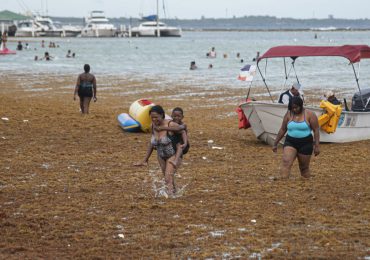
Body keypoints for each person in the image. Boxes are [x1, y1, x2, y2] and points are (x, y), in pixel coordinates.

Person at [134, 105, 184, 196]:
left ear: (162, 115)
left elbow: (182, 129)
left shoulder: (170, 124)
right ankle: (174, 193)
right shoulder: (153, 126)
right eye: (152, 118)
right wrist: (145, 159)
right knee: (167, 178)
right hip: (161, 155)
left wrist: (183, 144)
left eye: (156, 117)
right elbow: (152, 143)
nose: (154, 119)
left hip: (173, 155)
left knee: (168, 178)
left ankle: (170, 198)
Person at [272, 96, 320, 179]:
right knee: (286, 162)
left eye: (296, 107)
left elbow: (316, 130)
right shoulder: (289, 114)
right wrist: (275, 143)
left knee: (304, 168)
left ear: (301, 105)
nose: (294, 110)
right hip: (290, 142)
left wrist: (316, 146)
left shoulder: (310, 114)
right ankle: (283, 182)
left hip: (306, 143)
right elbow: (283, 129)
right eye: (292, 108)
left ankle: (306, 184)